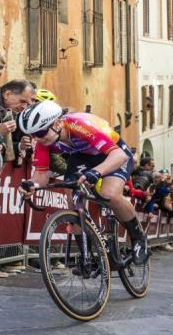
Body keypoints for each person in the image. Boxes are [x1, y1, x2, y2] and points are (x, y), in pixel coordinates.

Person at [19, 100, 149, 264]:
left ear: (58, 123)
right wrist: (32, 185)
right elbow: (40, 176)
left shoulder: (78, 126)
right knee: (71, 194)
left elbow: (119, 156)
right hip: (84, 155)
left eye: (41, 132)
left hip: (113, 152)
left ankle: (138, 237)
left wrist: (97, 172)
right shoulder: (42, 141)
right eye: (33, 134)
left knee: (109, 194)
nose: (37, 138)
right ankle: (86, 254)